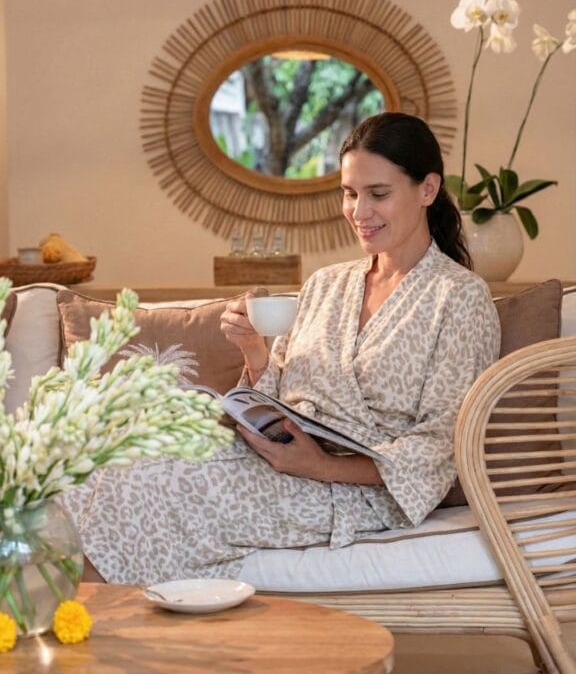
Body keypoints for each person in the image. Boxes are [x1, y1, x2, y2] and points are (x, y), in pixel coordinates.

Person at [63, 112, 500, 585]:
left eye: (378, 194)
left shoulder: (459, 298)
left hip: (351, 490)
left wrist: (321, 465)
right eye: (350, 194)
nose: (358, 212)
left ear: (428, 190)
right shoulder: (325, 284)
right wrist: (255, 354)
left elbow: (442, 445)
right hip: (276, 460)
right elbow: (278, 393)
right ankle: (65, 630)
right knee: (97, 466)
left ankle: (96, 634)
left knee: (149, 484)